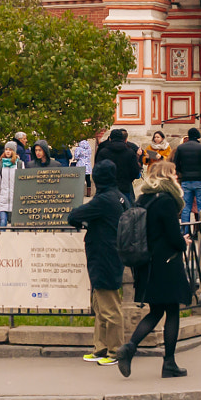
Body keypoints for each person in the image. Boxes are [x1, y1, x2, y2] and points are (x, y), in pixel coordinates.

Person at [114, 161, 192, 379]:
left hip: (148, 264)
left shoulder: (144, 198)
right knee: (172, 311)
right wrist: (183, 242)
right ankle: (169, 363)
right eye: (174, 173)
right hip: (167, 262)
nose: (177, 177)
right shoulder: (166, 201)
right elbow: (172, 235)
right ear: (167, 176)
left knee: (156, 310)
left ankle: (130, 348)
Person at [66, 156, 127, 364]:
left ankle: (116, 350)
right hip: (110, 254)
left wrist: (79, 220)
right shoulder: (119, 196)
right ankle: (101, 347)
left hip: (104, 256)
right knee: (100, 305)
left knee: (109, 307)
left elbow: (74, 214)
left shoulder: (103, 200)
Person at [174, 127, 201, 230]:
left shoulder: (181, 148)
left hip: (186, 180)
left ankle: (185, 231)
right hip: (200, 180)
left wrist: (183, 171)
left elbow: (176, 164)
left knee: (186, 207)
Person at [95, 129, 141, 203]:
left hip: (107, 189)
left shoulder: (103, 152)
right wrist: (128, 180)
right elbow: (135, 172)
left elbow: (97, 170)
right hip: (125, 188)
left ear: (110, 139)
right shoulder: (130, 152)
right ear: (124, 139)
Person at [0, 143, 20, 230]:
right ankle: (1, 240)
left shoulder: (19, 164)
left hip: (15, 199)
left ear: (14, 151)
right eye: (6, 149)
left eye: (10, 149)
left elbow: (22, 183)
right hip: (3, 199)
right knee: (3, 221)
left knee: (15, 224)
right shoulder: (0, 164)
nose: (8, 151)